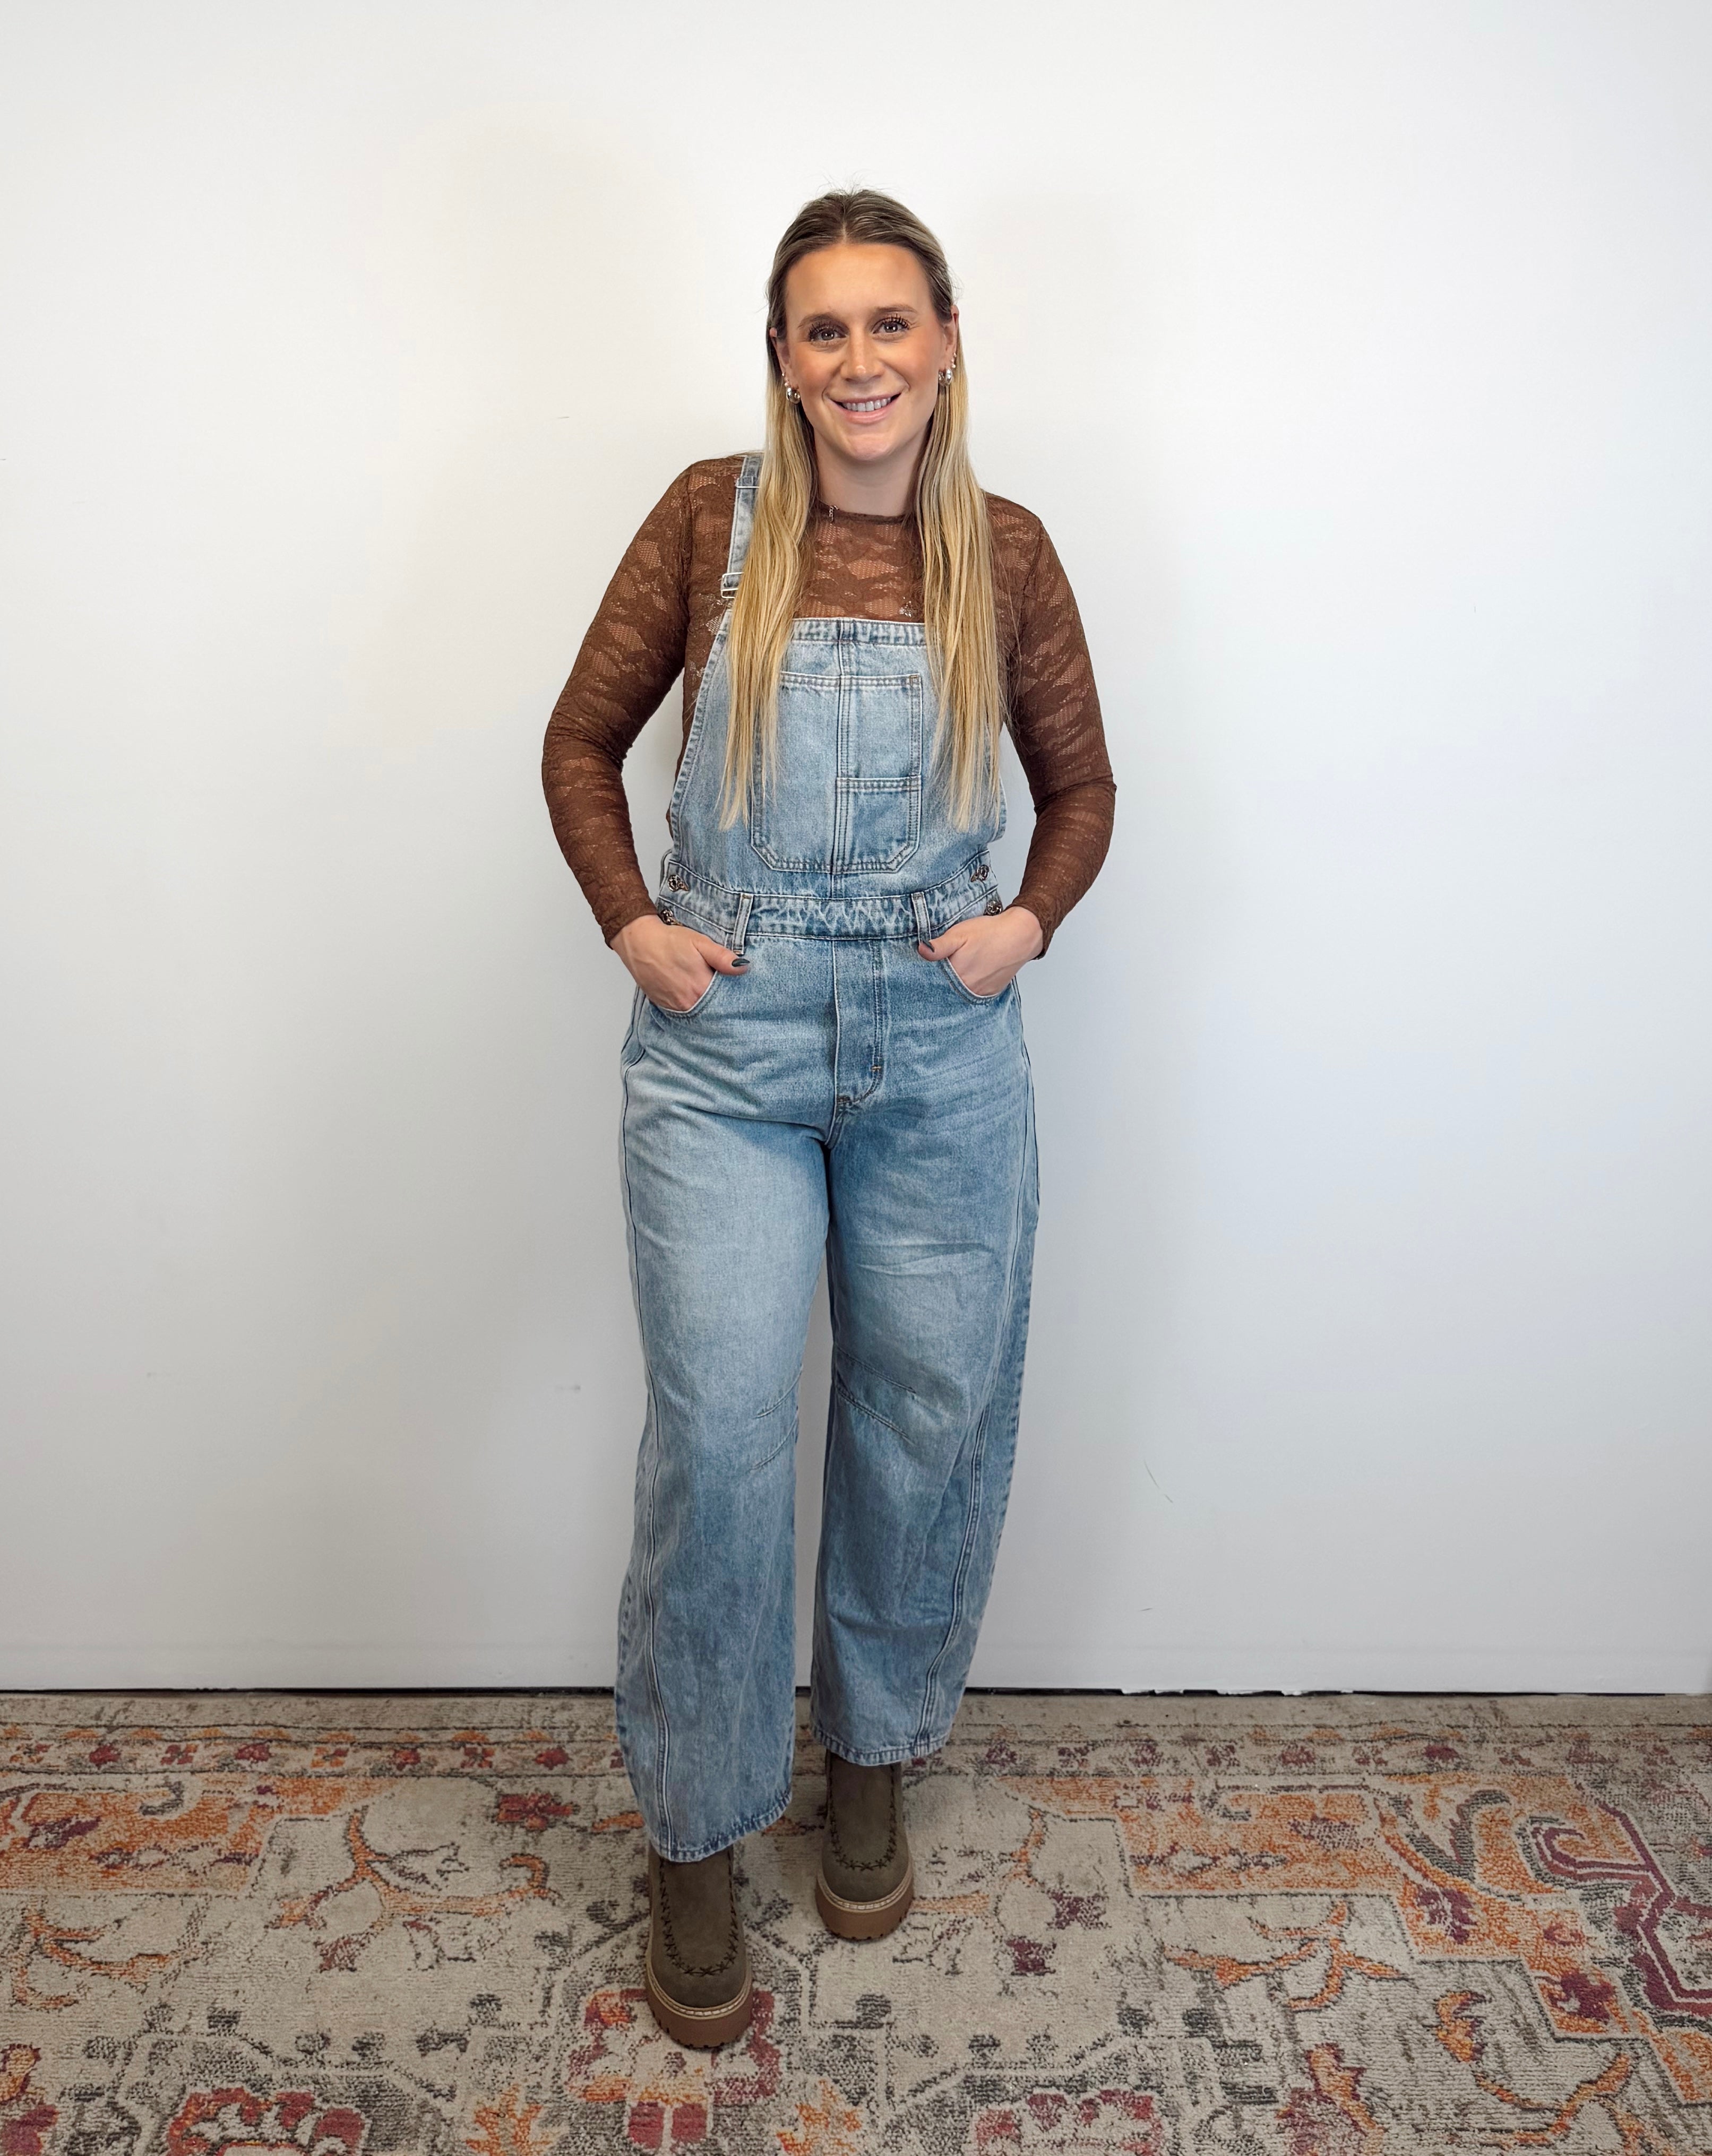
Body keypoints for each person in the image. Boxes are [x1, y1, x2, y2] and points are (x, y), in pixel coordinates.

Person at [542, 188, 1114, 2047]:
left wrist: (1026, 923)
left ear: (944, 343)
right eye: (822, 330)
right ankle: (699, 1829)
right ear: (782, 362)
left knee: (924, 1412)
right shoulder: (705, 523)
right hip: (726, 1046)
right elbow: (577, 741)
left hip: (942, 1047)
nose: (859, 361)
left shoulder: (1005, 552)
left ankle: (869, 1757)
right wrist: (634, 925)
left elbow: (1083, 787)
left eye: (889, 323)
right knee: (720, 1441)